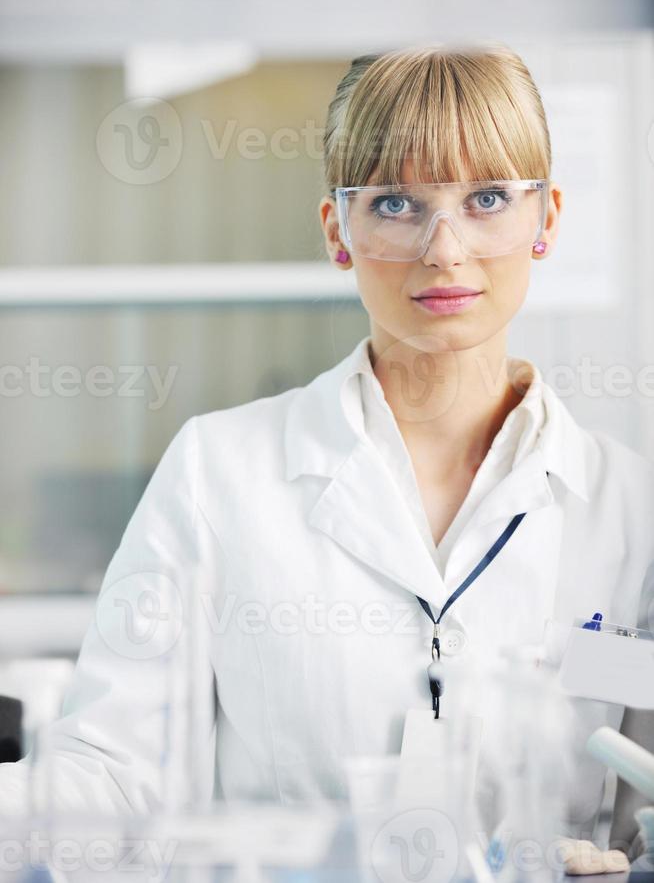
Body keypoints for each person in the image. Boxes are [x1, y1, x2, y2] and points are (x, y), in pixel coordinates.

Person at [1, 44, 652, 861]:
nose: (444, 250)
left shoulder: (632, 513)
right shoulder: (219, 474)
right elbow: (114, 778)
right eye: (395, 204)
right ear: (337, 230)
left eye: (487, 197)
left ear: (546, 218)